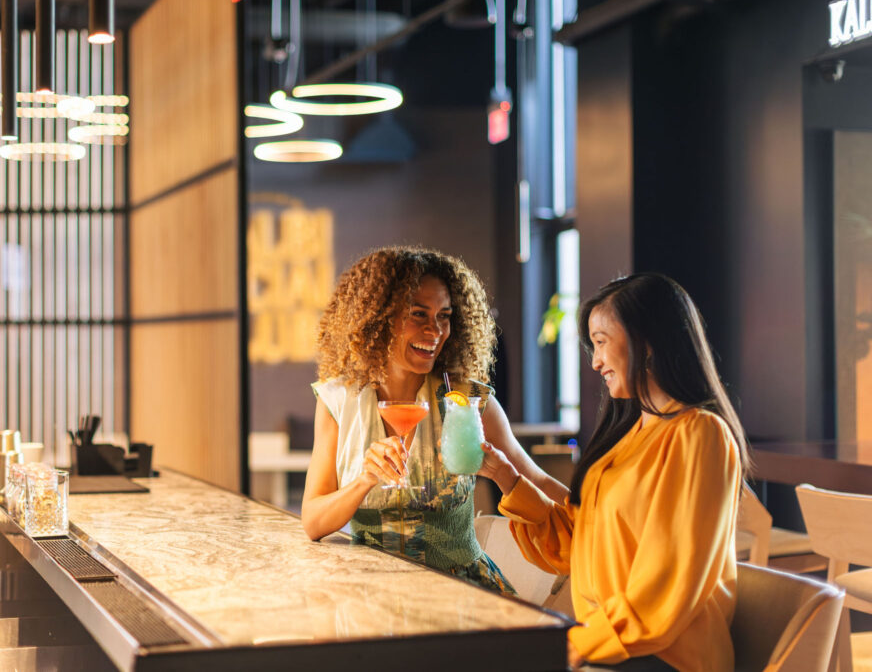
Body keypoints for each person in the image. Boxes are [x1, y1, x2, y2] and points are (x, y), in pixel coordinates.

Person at [479, 272, 749, 671]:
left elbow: (666, 581)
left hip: (666, 655)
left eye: (601, 343)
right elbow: (579, 544)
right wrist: (506, 478)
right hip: (618, 646)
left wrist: (577, 642)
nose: (595, 362)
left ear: (647, 341)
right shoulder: (631, 434)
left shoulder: (699, 434)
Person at [302, 246, 567, 592]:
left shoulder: (468, 401)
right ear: (379, 318)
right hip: (369, 593)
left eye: (444, 316)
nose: (436, 330)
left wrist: (601, 516)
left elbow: (536, 480)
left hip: (464, 593)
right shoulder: (338, 401)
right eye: (418, 314)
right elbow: (313, 522)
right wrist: (364, 481)